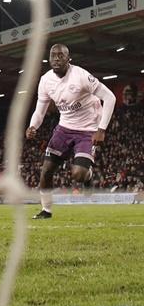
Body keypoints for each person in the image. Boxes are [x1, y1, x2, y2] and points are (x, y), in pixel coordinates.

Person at [26, 43, 116, 219]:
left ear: (69, 59)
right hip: (64, 127)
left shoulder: (81, 76)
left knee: (78, 175)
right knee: (46, 171)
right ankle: (46, 210)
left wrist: (101, 129)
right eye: (53, 55)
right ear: (49, 59)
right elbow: (40, 110)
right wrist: (32, 126)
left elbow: (110, 97)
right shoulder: (45, 81)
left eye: (61, 55)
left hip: (88, 129)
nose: (57, 58)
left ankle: (88, 176)